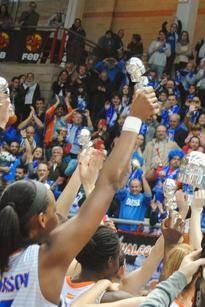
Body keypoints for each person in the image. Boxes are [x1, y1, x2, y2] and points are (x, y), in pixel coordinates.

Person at [0, 88, 157, 305]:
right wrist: (135, 118)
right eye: (54, 210)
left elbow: (68, 209)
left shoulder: (11, 259)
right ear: (42, 220)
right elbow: (109, 184)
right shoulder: (42, 259)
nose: (60, 214)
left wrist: (81, 178)